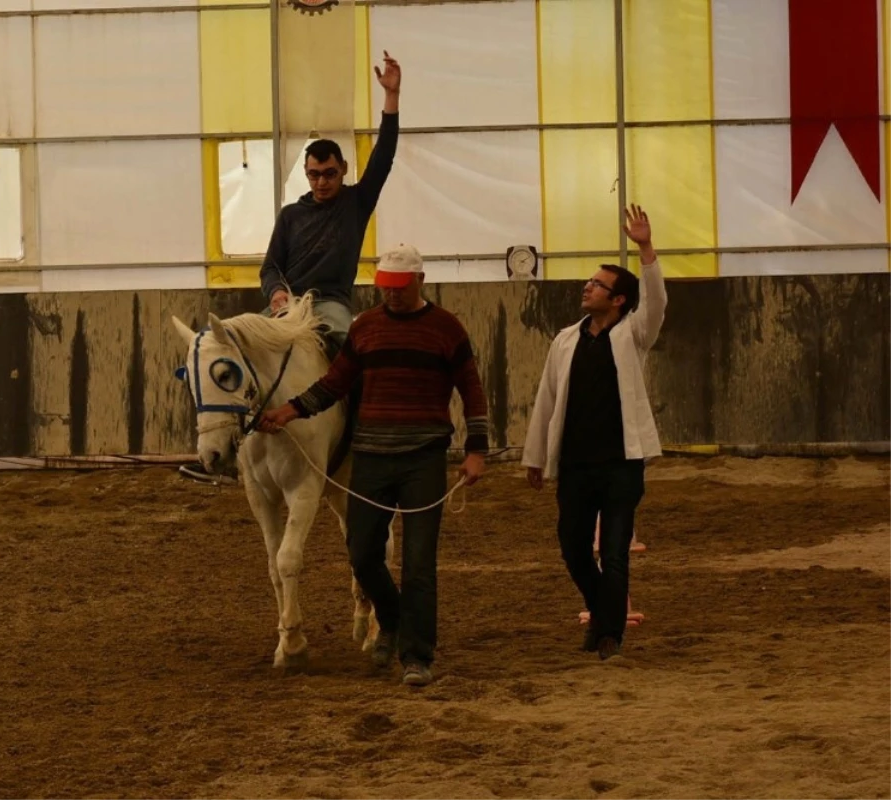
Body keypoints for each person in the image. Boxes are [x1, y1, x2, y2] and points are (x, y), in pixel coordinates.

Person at [258, 244, 489, 687]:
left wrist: (476, 449)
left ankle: (417, 656)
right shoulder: (365, 328)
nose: (393, 295)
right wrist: (289, 411)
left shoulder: (447, 329)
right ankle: (393, 618)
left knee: (420, 563)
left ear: (420, 280)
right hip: (372, 456)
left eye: (400, 287)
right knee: (362, 554)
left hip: (423, 458)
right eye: (385, 287)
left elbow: (471, 390)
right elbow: (333, 384)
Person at [179, 52, 403, 486]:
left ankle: (362, 436)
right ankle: (228, 453)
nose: (322, 181)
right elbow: (270, 266)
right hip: (286, 307)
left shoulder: (356, 204)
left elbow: (386, 156)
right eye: (315, 174)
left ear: (343, 172)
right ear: (306, 173)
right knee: (230, 353)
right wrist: (277, 293)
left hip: (331, 305)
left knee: (348, 350)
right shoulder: (289, 215)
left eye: (330, 174)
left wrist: (391, 98)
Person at [522, 204, 667, 661]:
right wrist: (535, 456)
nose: (588, 287)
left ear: (619, 299)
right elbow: (546, 400)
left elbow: (657, 302)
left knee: (617, 553)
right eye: (589, 282)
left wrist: (645, 248)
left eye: (598, 284)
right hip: (576, 465)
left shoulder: (633, 334)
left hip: (622, 464)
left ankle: (609, 636)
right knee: (572, 549)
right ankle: (602, 612)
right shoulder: (565, 340)